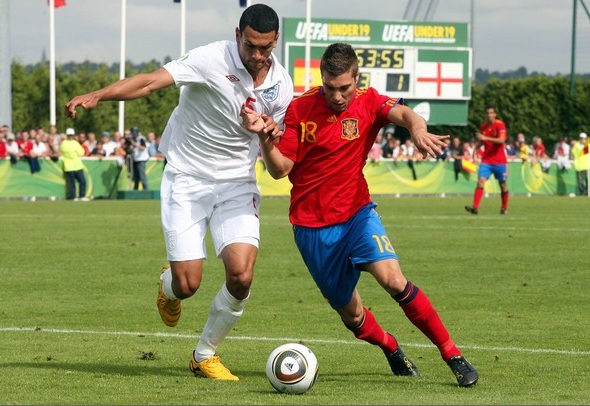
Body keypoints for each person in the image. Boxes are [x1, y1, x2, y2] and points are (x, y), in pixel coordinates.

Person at [64, 4, 292, 381]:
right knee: (187, 284)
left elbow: (275, 161)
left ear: (275, 42)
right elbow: (151, 81)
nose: (256, 56)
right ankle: (168, 287)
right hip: (187, 178)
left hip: (237, 183)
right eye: (250, 45)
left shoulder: (282, 86)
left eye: (265, 49)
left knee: (242, 275)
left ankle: (205, 354)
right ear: (238, 35)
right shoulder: (209, 58)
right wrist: (100, 94)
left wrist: (266, 133)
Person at [242, 42, 478, 387]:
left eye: (344, 88)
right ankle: (390, 346)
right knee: (353, 316)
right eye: (329, 87)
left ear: (357, 79)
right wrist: (265, 138)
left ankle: (451, 354)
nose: (337, 96)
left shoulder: (369, 101)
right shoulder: (300, 109)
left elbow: (406, 114)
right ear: (322, 79)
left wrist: (417, 129)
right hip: (312, 229)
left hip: (357, 215)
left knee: (394, 280)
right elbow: (280, 170)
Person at [465, 105, 509, 215]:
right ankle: (475, 207)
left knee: (502, 185)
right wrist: (476, 148)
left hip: (500, 161)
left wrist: (486, 138)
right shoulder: (483, 127)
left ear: (495, 114)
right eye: (487, 113)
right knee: (480, 182)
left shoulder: (500, 125)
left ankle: (504, 207)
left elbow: (502, 140)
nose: (489, 115)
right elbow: (483, 141)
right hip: (487, 161)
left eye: (491, 113)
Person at [60, 128, 88, 201]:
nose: (70, 136)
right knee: (74, 182)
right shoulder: (67, 143)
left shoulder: (71, 143)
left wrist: (75, 152)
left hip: (75, 165)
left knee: (80, 181)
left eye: (71, 135)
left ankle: (79, 196)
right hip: (71, 166)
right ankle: (75, 196)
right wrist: (75, 151)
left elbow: (81, 152)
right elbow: (79, 152)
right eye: (70, 135)